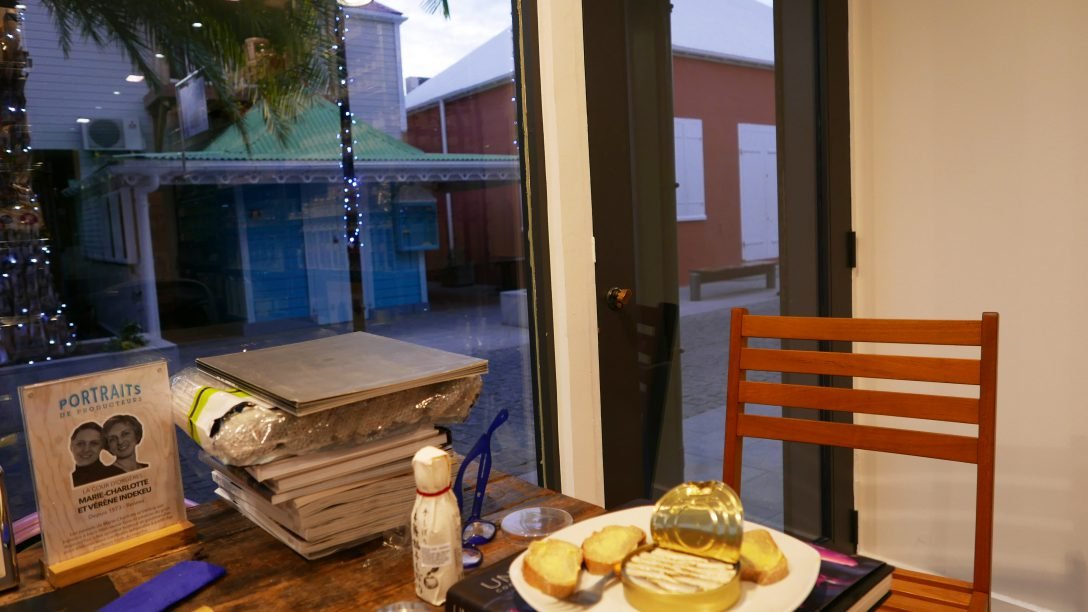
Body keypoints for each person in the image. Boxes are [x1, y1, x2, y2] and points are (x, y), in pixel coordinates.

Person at [70, 422, 123, 487]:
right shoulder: (66, 482)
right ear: (71, 446)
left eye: (94, 443)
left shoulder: (116, 475)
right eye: (80, 443)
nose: (86, 449)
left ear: (102, 446)